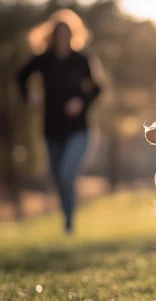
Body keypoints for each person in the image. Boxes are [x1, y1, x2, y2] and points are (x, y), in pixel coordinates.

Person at [17, 19, 101, 234]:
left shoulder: (81, 60)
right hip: (51, 129)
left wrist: (81, 101)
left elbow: (96, 88)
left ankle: (69, 223)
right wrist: (29, 97)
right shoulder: (44, 60)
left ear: (73, 36)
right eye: (59, 35)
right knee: (57, 177)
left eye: (66, 35)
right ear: (52, 37)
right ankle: (67, 218)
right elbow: (21, 75)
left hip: (78, 130)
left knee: (66, 172)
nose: (63, 39)